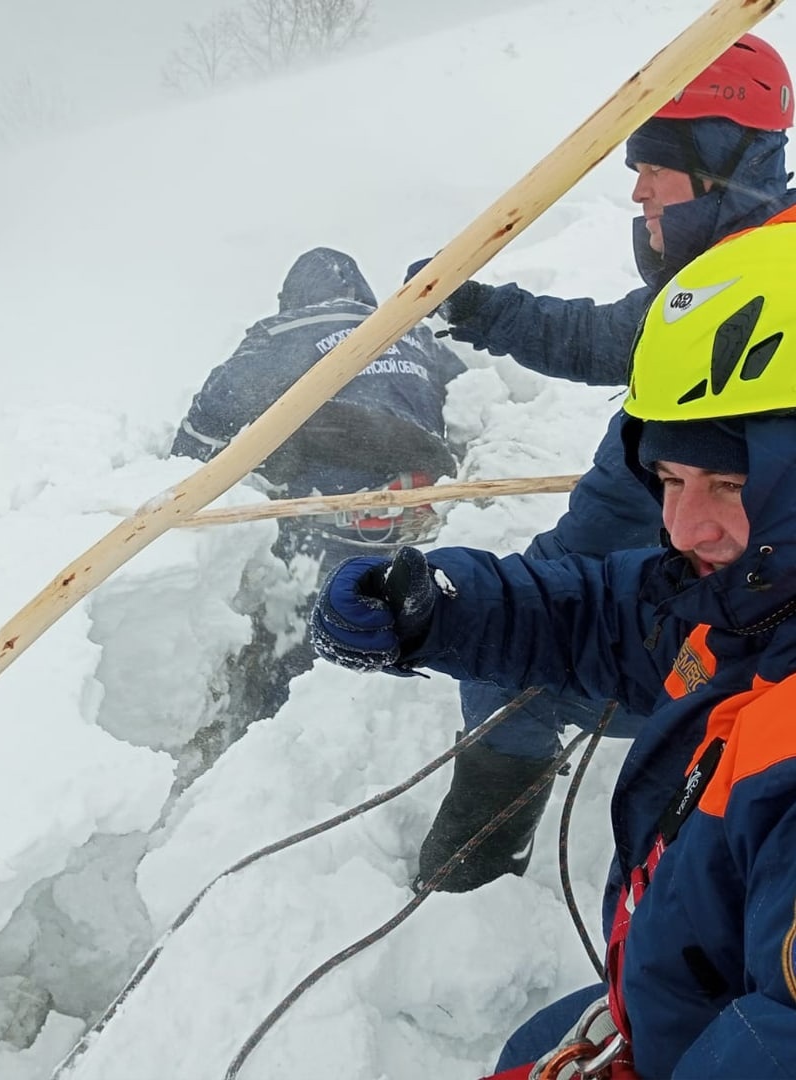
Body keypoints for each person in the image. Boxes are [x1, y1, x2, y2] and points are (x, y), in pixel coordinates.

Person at [312, 216, 796, 1078]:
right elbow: (613, 616)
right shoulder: (753, 597)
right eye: (672, 481)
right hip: (676, 991)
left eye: (729, 482)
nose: (682, 525)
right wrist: (441, 609)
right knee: (532, 1048)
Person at [403, 32, 796, 893]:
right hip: (645, 582)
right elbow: (603, 338)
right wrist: (482, 308)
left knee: (518, 670)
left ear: (725, 165)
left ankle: (474, 872)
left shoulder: (768, 289)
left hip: (719, 617)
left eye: (657, 163)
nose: (639, 187)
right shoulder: (717, 277)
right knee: (524, 640)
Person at [172, 246, 464, 731]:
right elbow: (473, 406)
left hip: (328, 526)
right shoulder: (414, 332)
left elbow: (209, 419)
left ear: (295, 298)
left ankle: (275, 732)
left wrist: (175, 483)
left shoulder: (287, 333)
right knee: (400, 640)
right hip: (421, 522)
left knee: (305, 651)